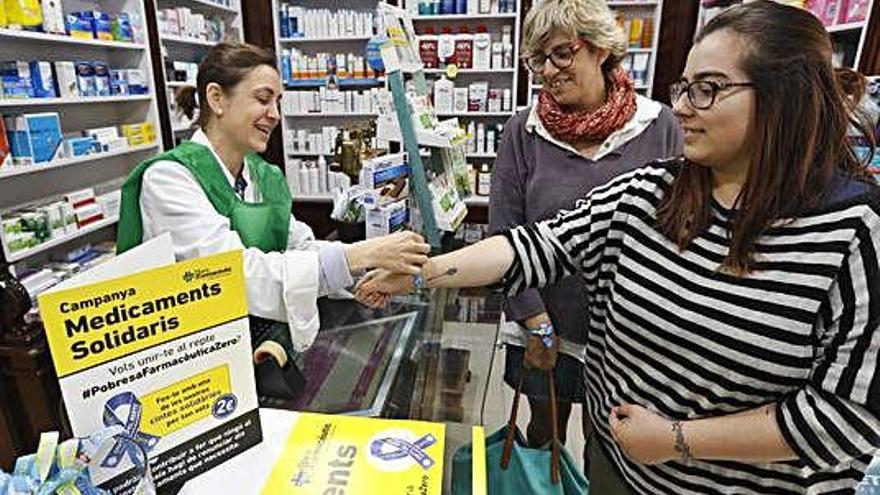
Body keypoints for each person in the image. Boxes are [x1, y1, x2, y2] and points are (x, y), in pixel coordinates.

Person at [357, 2, 880, 493]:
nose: (682, 106)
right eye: (684, 86)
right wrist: (421, 271)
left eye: (708, 89)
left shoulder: (856, 233)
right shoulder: (650, 191)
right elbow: (535, 245)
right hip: (620, 469)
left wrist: (678, 440)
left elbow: (850, 417)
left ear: (783, 95)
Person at [117, 42, 429, 353]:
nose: (275, 114)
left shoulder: (261, 174)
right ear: (216, 98)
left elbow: (298, 246)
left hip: (259, 343)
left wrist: (364, 274)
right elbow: (231, 277)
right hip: (196, 358)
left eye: (277, 102)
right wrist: (359, 256)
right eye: (263, 99)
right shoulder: (169, 179)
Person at [491, 0, 682, 450]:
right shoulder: (524, 131)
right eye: (538, 59)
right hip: (543, 323)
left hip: (629, 334)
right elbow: (505, 232)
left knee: (612, 446)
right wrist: (535, 321)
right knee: (544, 437)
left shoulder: (659, 127)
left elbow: (679, 229)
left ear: (599, 49)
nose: (548, 71)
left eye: (561, 53)